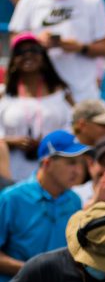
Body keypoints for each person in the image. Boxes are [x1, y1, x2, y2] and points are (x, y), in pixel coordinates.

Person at [8, 0, 105, 102]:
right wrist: (36, 42)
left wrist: (79, 47)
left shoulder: (93, 0)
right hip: (42, 95)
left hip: (82, 93)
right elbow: (15, 41)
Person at [0, 130, 89, 282]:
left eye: (81, 163)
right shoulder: (11, 198)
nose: (78, 170)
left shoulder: (74, 201)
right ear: (47, 163)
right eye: (71, 163)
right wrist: (33, 270)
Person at [0, 32, 72, 181]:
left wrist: (47, 143)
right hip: (9, 176)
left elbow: (74, 129)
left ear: (43, 57)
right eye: (21, 52)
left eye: (34, 50)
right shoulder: (3, 94)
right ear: (14, 59)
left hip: (52, 175)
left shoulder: (62, 93)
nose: (28, 55)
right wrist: (11, 142)